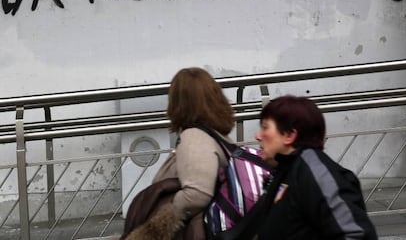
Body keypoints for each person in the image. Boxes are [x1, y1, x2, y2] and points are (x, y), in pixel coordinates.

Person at [125, 67, 234, 240]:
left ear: (178, 103)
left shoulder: (195, 137)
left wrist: (159, 222)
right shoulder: (216, 135)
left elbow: (198, 194)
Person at [255, 95, 378, 240]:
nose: (258, 136)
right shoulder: (284, 170)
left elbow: (356, 234)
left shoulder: (314, 172)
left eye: (265, 127)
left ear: (289, 135)